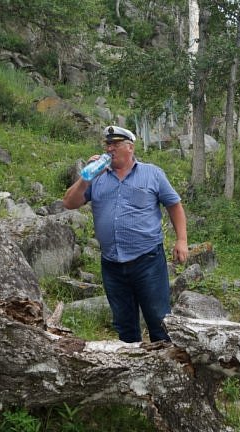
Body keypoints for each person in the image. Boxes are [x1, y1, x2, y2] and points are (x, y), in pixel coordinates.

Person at [62, 125, 188, 343]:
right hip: (112, 264)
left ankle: (166, 370)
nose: (109, 149)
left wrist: (182, 240)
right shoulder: (97, 177)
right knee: (124, 326)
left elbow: (174, 205)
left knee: (159, 321)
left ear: (129, 148)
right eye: (107, 144)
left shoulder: (152, 174)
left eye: (115, 144)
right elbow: (69, 203)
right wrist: (86, 178)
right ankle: (131, 371)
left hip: (147, 260)